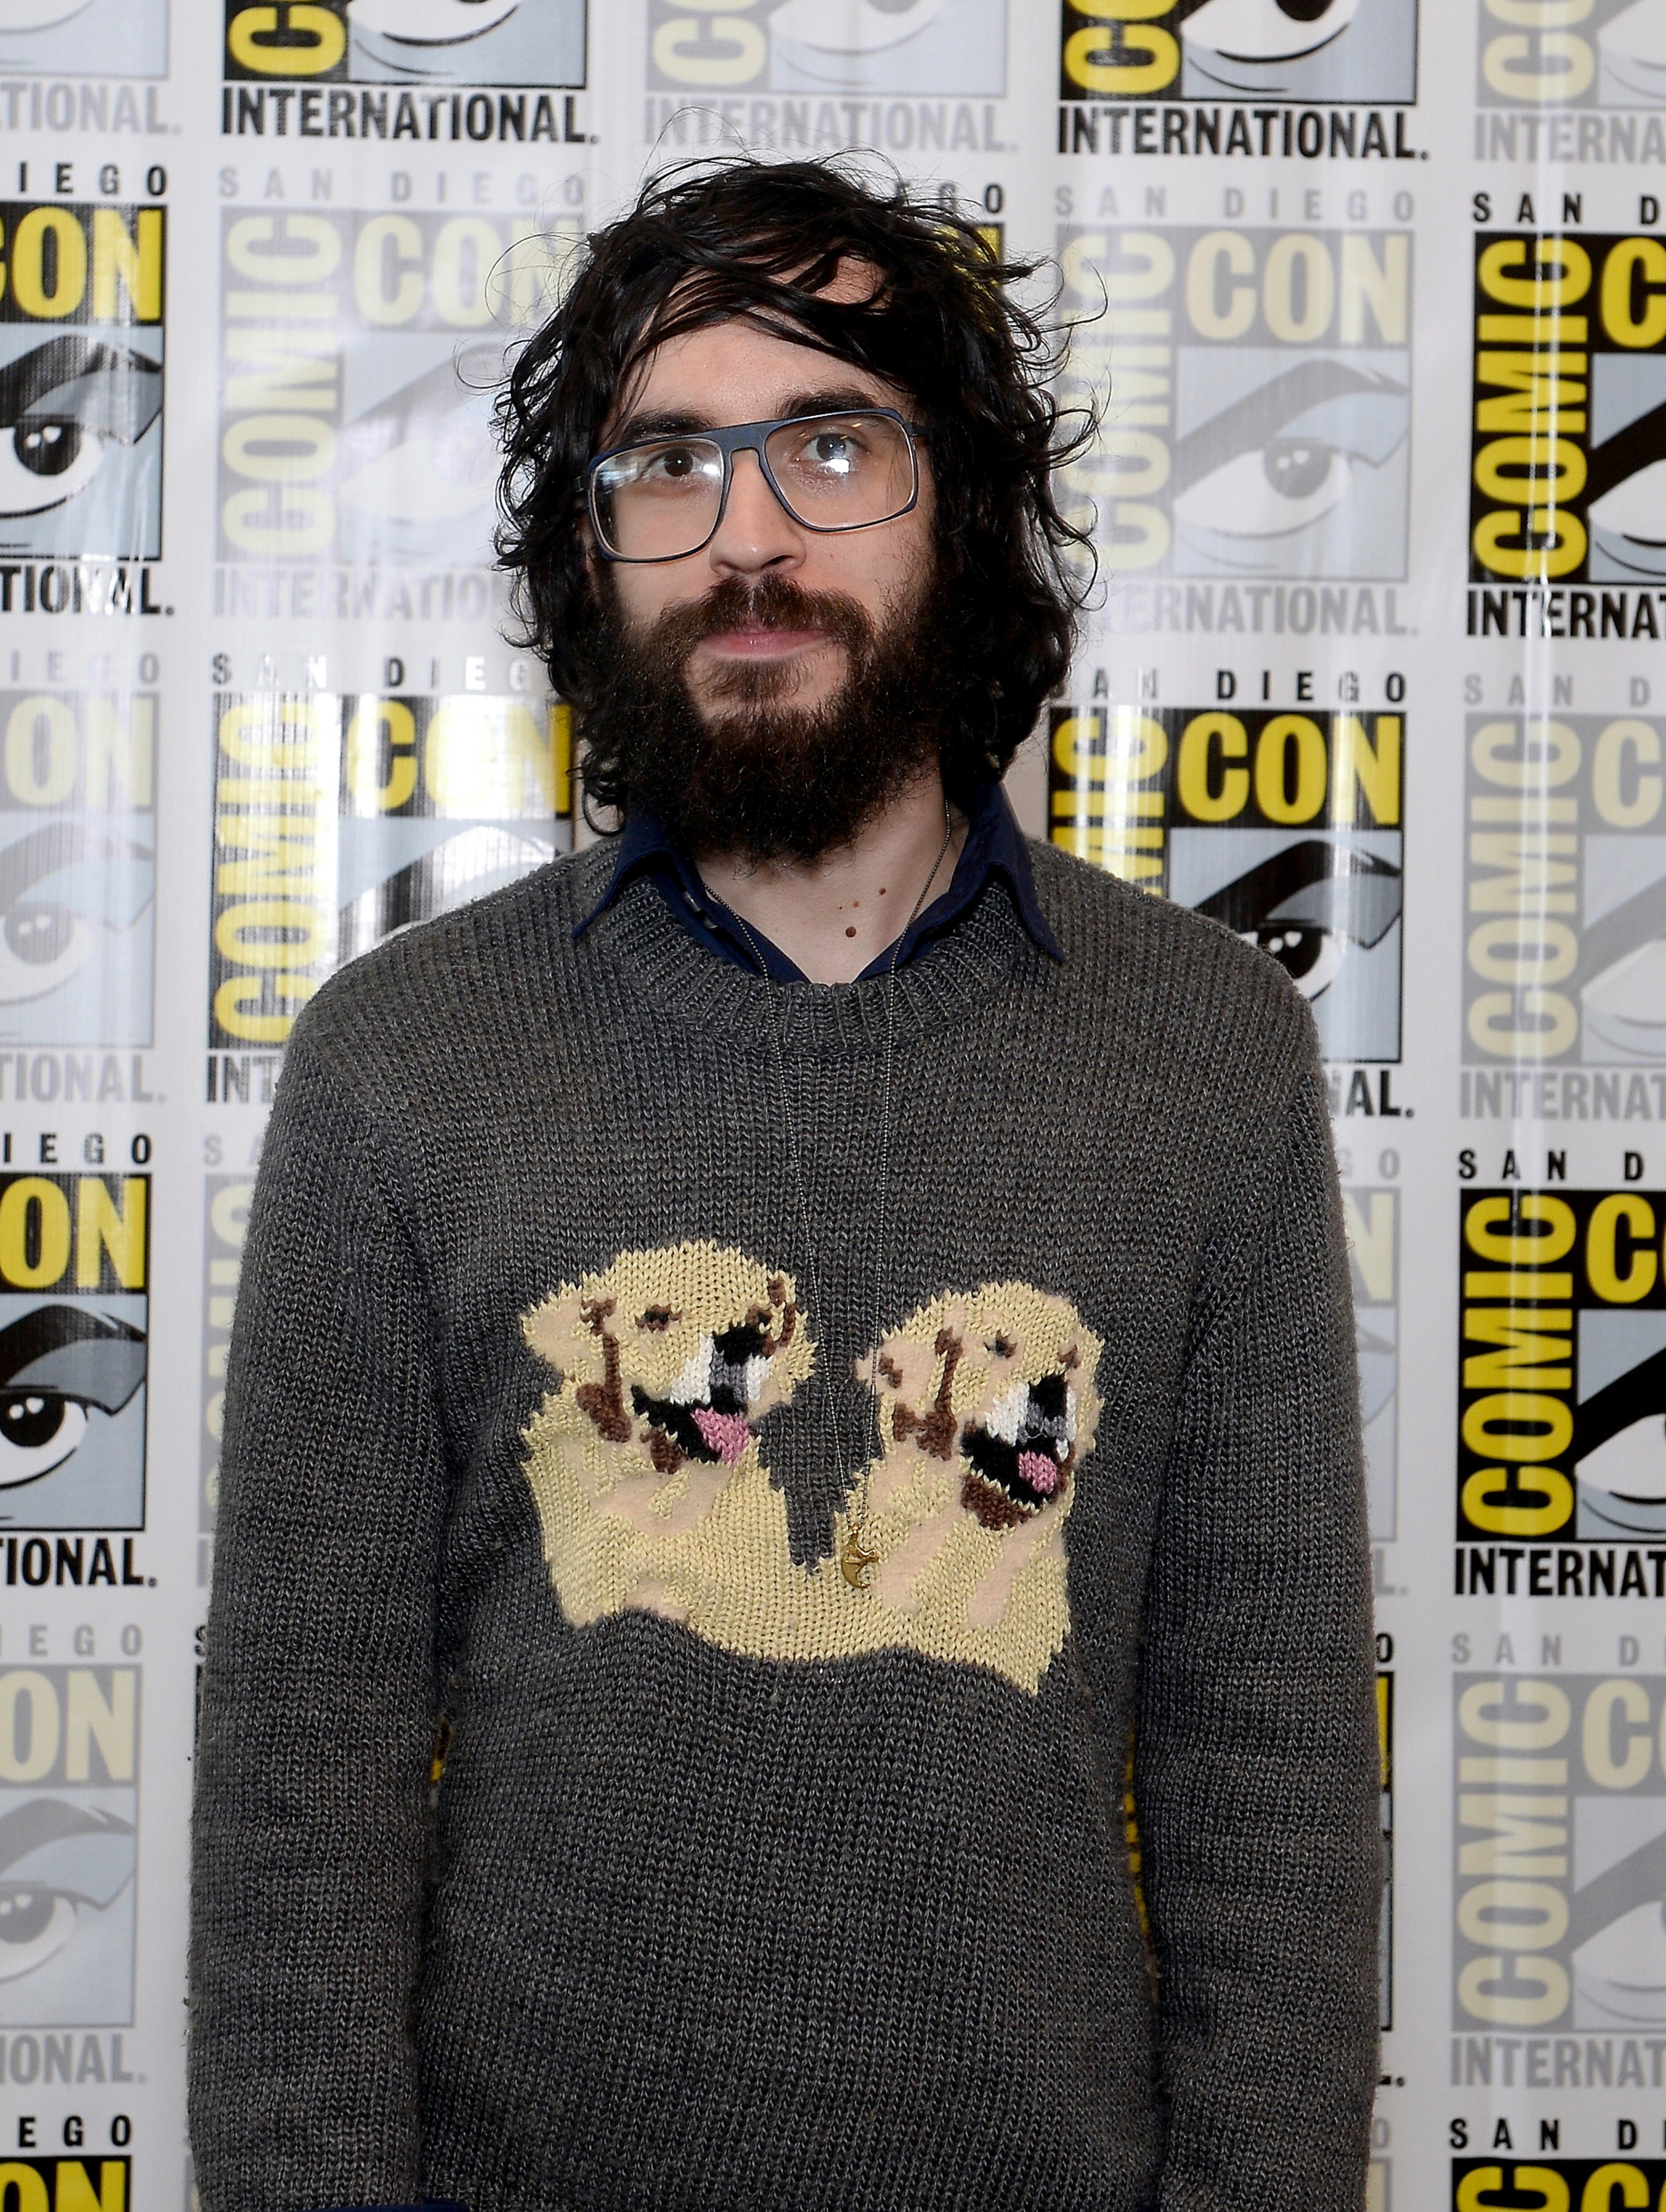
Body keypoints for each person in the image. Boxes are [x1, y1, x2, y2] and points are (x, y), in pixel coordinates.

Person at [189, 158, 1381, 2212]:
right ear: (596, 549)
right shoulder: (401, 1063)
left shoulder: (1209, 1055)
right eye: (668, 462)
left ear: (963, 511)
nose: (745, 536)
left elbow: (1265, 1780)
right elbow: (304, 1786)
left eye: (828, 444)